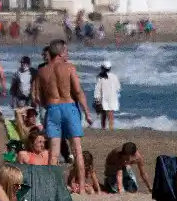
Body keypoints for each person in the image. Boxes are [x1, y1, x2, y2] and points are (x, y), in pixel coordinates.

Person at [34, 39, 92, 192]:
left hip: (53, 109)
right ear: (60, 53)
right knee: (77, 151)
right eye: (66, 51)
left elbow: (36, 98)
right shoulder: (69, 68)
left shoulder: (42, 71)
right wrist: (87, 112)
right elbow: (78, 91)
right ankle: (81, 188)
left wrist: (49, 106)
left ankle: (51, 187)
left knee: (54, 153)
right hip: (70, 107)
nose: (67, 54)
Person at [93, 61, 120, 129]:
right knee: (111, 114)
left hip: (103, 97)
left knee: (103, 114)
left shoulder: (100, 77)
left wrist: (97, 99)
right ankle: (111, 128)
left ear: (102, 68)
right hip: (112, 97)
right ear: (110, 68)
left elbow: (97, 89)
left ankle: (103, 128)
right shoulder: (114, 76)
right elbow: (118, 87)